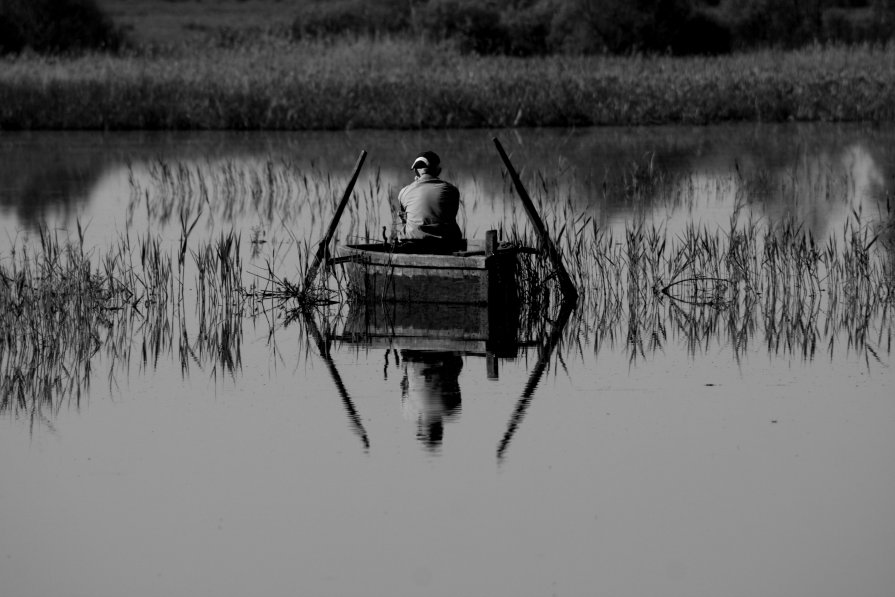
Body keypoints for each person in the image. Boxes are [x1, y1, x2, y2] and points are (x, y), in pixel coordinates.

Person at [396, 151, 462, 252]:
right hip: (444, 246)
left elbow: (405, 217)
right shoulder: (451, 191)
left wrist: (415, 184)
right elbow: (450, 216)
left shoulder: (404, 192)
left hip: (412, 245)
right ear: (438, 171)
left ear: (416, 172)